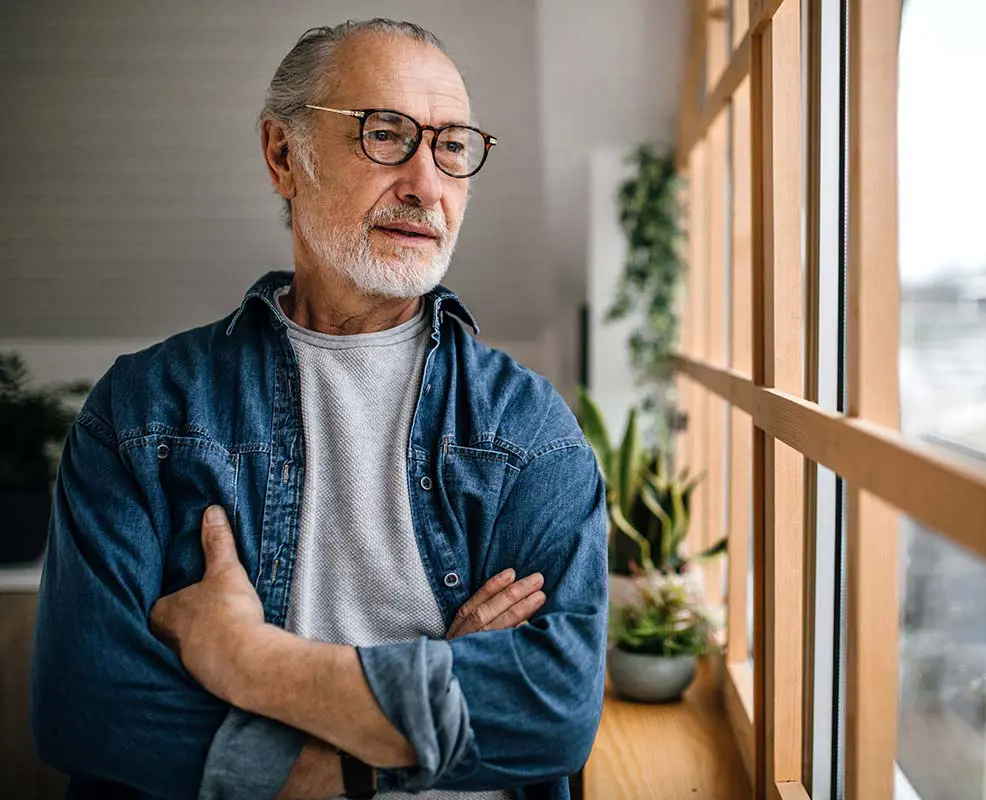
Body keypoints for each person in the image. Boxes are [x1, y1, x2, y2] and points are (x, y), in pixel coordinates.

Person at [30, 18, 607, 800]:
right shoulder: (142, 413)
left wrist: (245, 658)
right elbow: (87, 710)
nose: (426, 184)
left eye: (451, 146)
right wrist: (386, 742)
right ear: (282, 157)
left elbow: (554, 711)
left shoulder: (528, 431)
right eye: (386, 134)